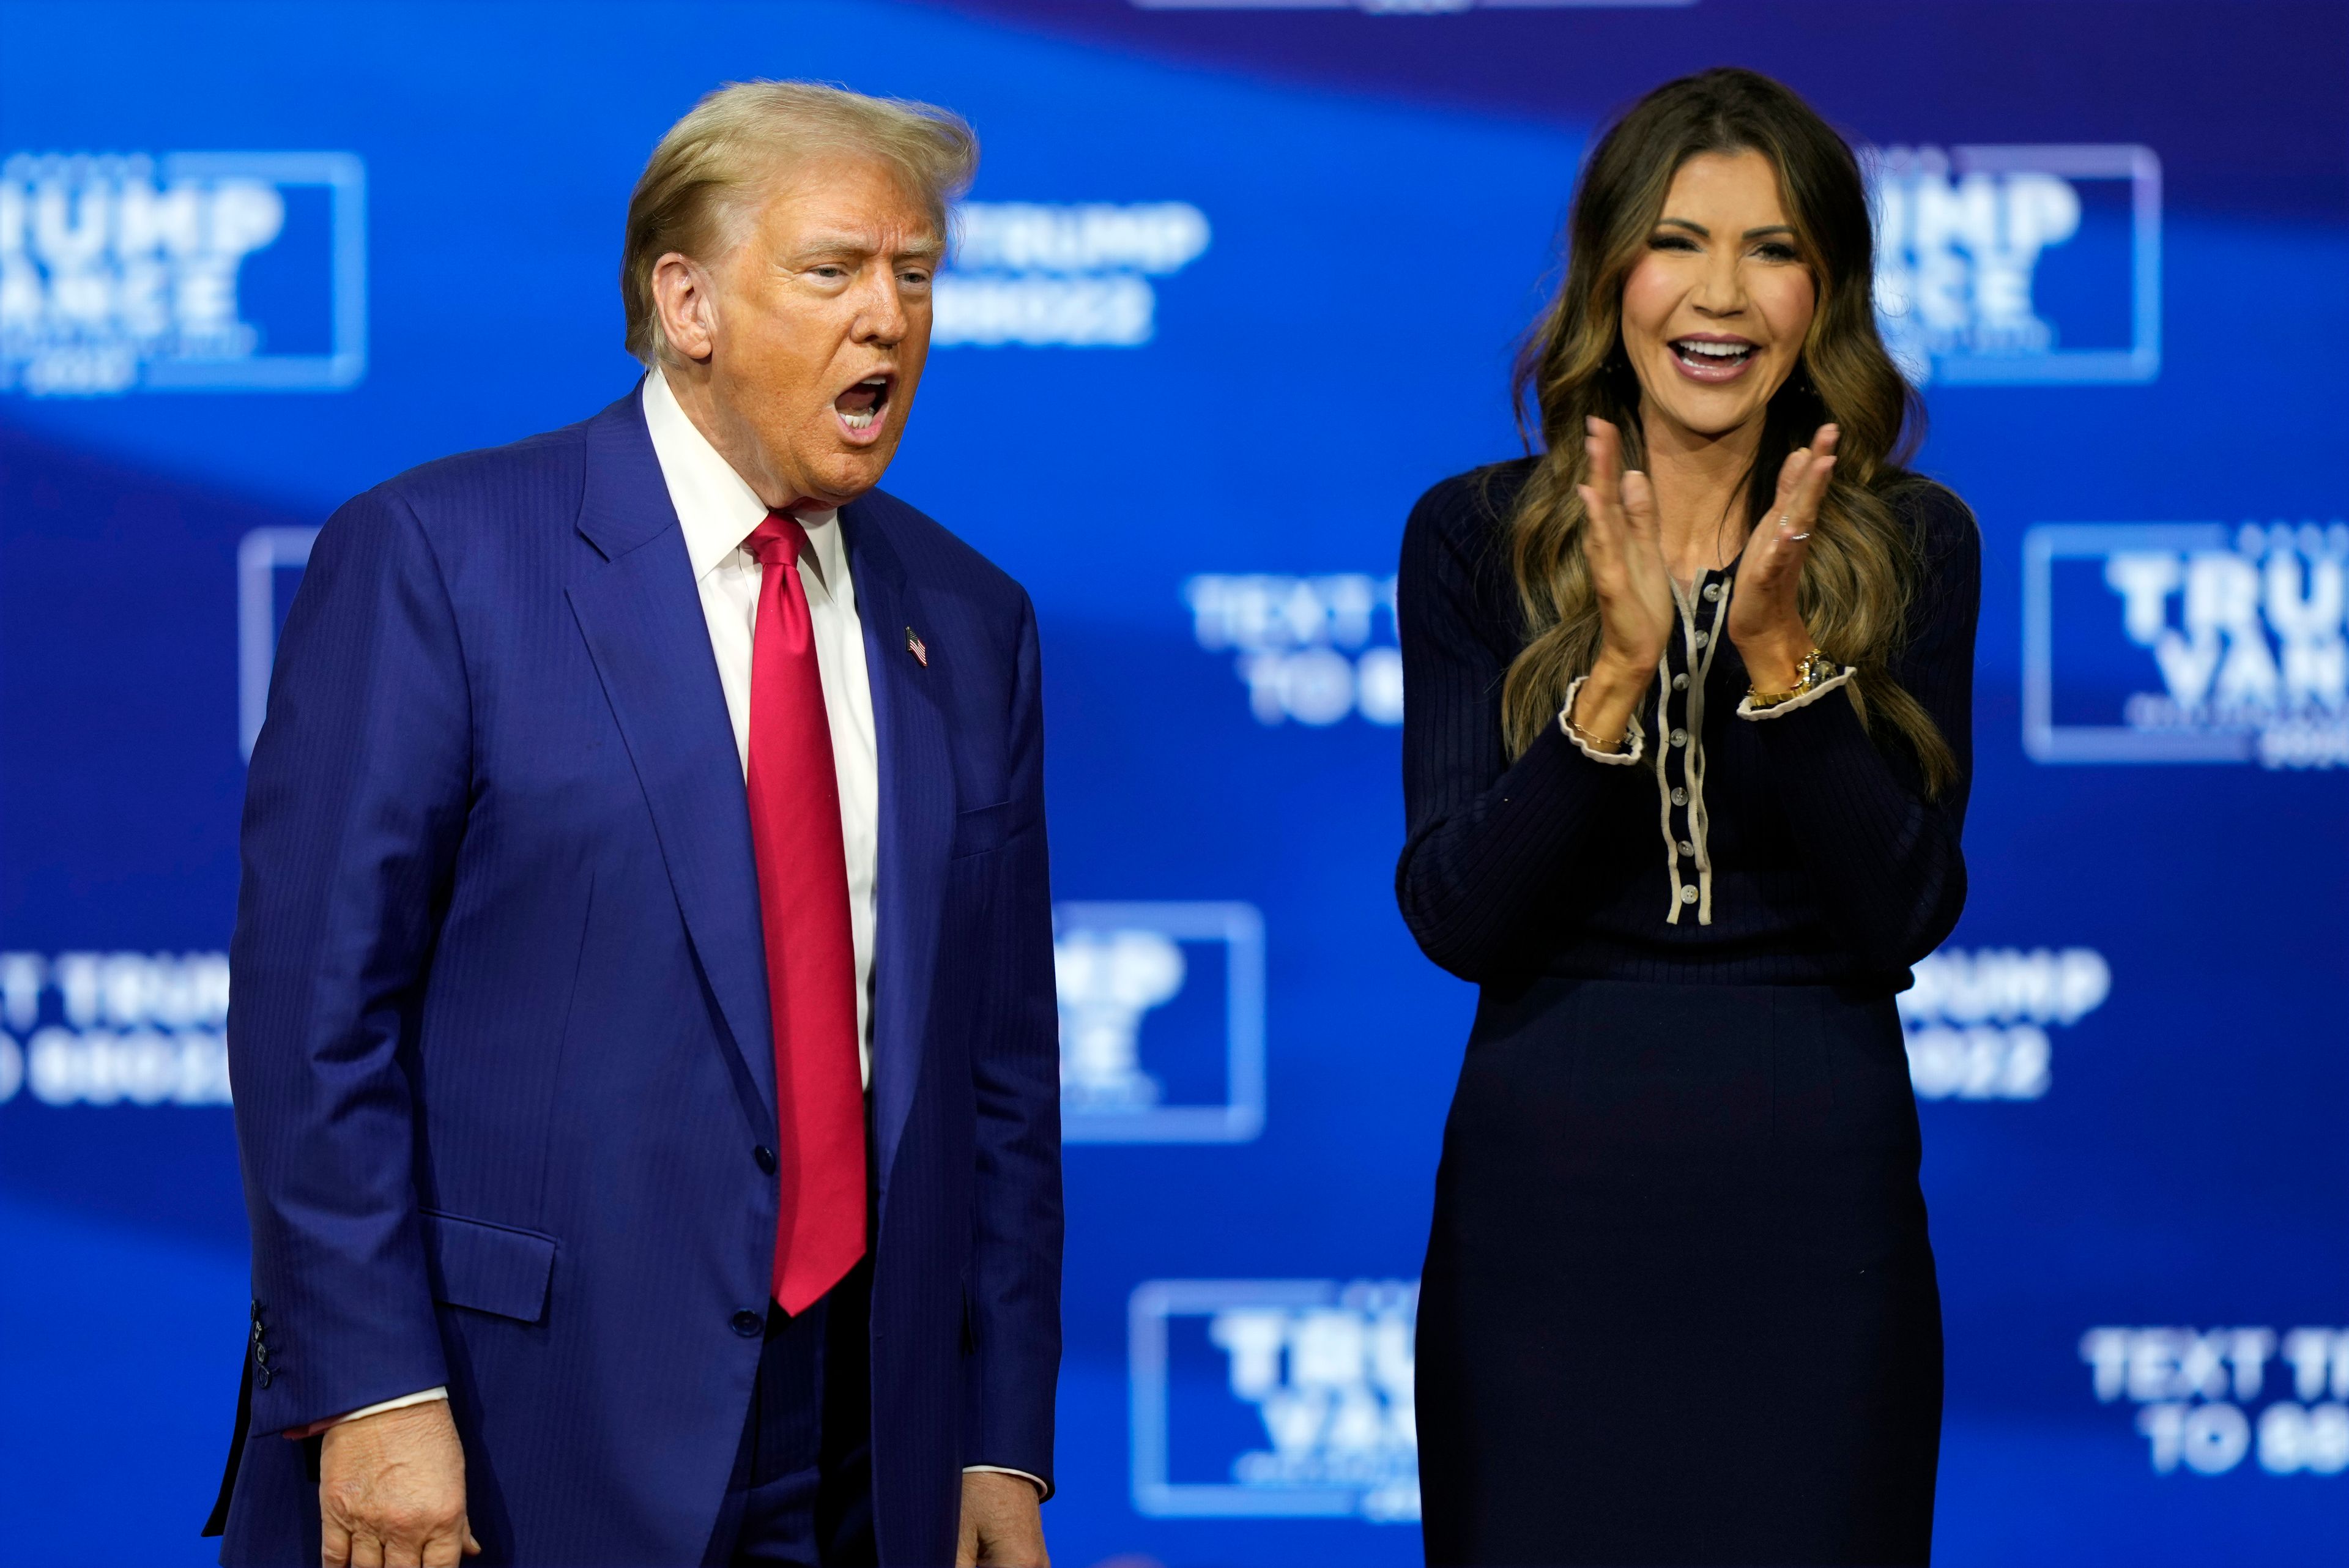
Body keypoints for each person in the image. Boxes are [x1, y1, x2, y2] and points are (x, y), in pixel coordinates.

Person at [207, 81, 1061, 1568]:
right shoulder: (440, 559)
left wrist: (997, 1438)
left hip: (871, 1445)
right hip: (514, 1425)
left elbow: (1000, 1077)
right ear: (688, 301)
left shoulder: (970, 621)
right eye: (834, 271)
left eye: (915, 275)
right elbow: (312, 1022)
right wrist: (375, 1390)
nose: (890, 319)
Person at [1396, 68, 1976, 1567]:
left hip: (1815, 1200)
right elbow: (1458, 913)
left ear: (1826, 291)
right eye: (1679, 241)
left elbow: (1905, 907)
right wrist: (1617, 678)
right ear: (1610, 274)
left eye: (1773, 249)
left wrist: (1781, 665)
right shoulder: (1476, 535)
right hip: (1550, 1208)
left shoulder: (1912, 542)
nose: (1722, 295)